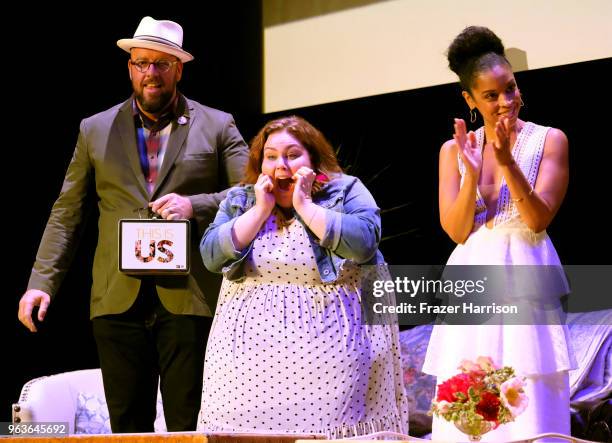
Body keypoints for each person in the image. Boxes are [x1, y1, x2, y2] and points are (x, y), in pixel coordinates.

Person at [17, 16, 249, 433]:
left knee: (188, 424)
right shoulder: (95, 129)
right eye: (141, 63)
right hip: (117, 298)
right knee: (127, 426)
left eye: (160, 64)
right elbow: (67, 211)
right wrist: (40, 283)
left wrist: (193, 204)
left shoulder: (216, 124)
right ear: (130, 66)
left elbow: (250, 194)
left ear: (178, 68)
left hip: (189, 297)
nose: (150, 74)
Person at [196, 116, 409, 438]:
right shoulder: (242, 199)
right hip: (244, 362)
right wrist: (259, 211)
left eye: (293, 154)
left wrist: (305, 206)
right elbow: (211, 256)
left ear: (313, 159)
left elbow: (364, 243)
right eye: (271, 156)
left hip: (330, 352)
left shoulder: (346, 189)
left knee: (325, 432)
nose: (281, 165)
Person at [422, 26, 575, 441]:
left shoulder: (549, 140)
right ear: (470, 100)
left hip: (525, 274)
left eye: (510, 88)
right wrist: (470, 175)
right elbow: (456, 231)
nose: (505, 102)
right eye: (491, 96)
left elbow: (538, 219)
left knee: (528, 395)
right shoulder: (454, 150)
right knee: (467, 403)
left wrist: (507, 161)